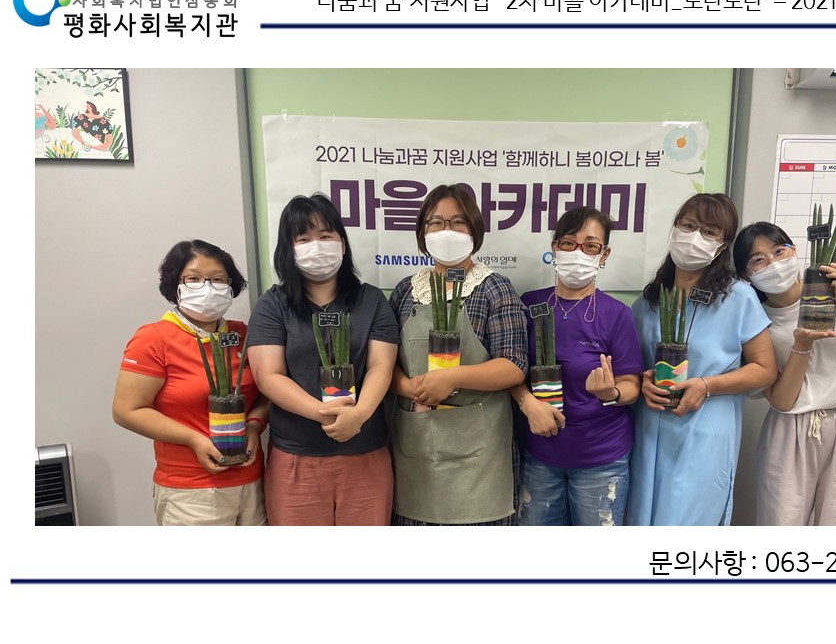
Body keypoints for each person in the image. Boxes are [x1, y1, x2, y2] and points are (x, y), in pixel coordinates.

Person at [246, 194, 399, 525]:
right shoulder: (273, 305)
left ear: (342, 244)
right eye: (303, 239)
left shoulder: (372, 300)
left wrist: (358, 416)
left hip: (365, 453)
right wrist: (324, 414)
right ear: (288, 249)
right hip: (296, 457)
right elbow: (268, 376)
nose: (316, 246)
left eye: (325, 235)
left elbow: (381, 366)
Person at [628, 193, 778, 526]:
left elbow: (765, 370)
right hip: (650, 431)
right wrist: (643, 383)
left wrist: (708, 385)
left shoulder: (738, 297)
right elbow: (634, 368)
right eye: (688, 225)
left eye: (709, 232)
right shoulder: (648, 302)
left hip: (706, 431)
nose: (694, 237)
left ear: (722, 245)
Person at [733, 221, 836, 525]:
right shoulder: (755, 318)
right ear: (745, 274)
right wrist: (802, 345)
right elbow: (782, 401)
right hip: (791, 430)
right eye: (758, 260)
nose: (774, 263)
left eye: (779, 251)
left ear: (794, 251)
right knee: (781, 524)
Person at [387, 184, 528, 525]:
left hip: (479, 460)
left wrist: (451, 378)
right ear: (423, 231)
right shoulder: (406, 290)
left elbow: (513, 365)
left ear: (474, 229)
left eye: (458, 222)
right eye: (436, 222)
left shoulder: (494, 288)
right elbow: (384, 363)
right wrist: (407, 387)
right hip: (417, 449)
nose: (446, 231)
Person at [112, 240, 267, 526]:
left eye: (218, 279)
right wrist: (193, 439)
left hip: (253, 482)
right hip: (191, 490)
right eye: (193, 279)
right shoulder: (153, 338)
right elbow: (126, 410)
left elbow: (266, 391)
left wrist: (255, 425)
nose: (207, 287)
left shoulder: (242, 335)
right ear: (175, 286)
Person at [512, 207, 643, 526]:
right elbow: (510, 369)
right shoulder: (530, 304)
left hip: (601, 458)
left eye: (590, 246)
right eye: (569, 243)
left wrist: (611, 393)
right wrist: (526, 403)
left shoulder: (617, 314)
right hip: (540, 456)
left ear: (604, 254)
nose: (578, 252)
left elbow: (631, 386)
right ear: (555, 247)